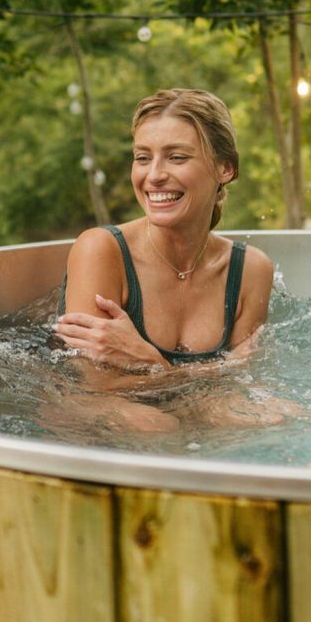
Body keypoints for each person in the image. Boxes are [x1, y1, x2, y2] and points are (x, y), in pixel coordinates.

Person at [50, 90, 276, 432]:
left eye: (177, 157)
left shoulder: (250, 270)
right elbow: (95, 384)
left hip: (179, 404)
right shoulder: (102, 250)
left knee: (274, 416)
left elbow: (240, 384)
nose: (154, 175)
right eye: (143, 158)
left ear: (225, 168)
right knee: (155, 425)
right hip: (84, 406)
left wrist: (150, 361)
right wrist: (203, 378)